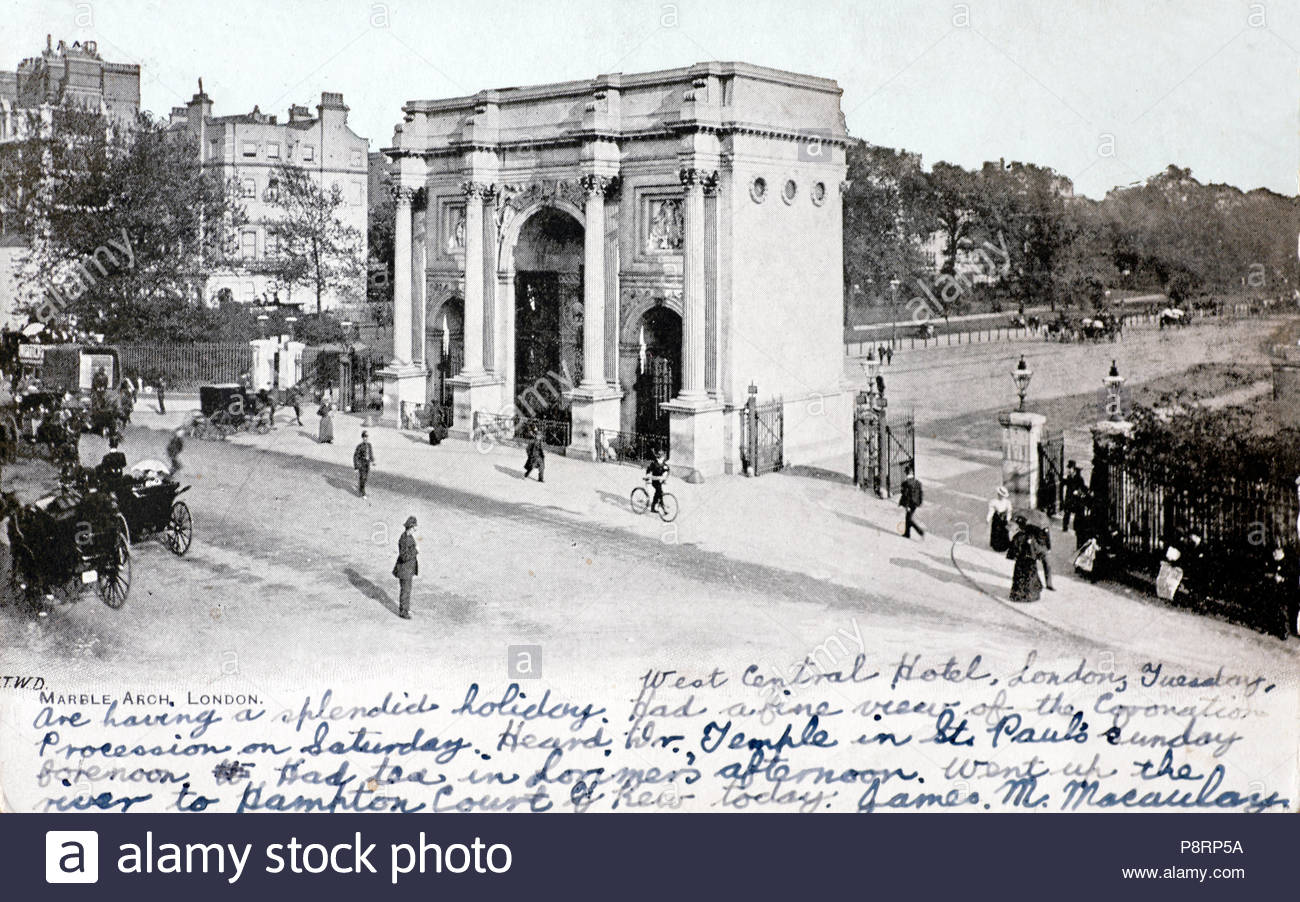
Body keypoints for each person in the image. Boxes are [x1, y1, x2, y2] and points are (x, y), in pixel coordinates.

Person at [1008, 515, 1049, 602]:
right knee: (1031, 576)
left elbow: (1014, 550)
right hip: (1031, 562)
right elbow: (1036, 549)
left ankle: (1019, 595)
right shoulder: (1031, 536)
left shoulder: (1018, 536)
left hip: (1021, 562)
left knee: (1021, 577)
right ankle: (1032, 594)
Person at [392, 516, 419, 620]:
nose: (416, 528)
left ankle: (405, 609)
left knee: (407, 590)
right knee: (405, 591)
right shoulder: (404, 539)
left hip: (407, 569)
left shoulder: (407, 536)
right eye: (415, 526)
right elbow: (404, 556)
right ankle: (403, 612)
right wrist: (415, 550)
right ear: (411, 527)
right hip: (405, 570)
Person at [899, 462, 924, 539]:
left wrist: (907, 506)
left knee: (909, 519)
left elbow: (907, 496)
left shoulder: (906, 483)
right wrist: (919, 502)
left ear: (906, 473)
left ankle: (920, 531)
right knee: (907, 518)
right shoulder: (917, 482)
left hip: (910, 504)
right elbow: (921, 493)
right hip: (915, 503)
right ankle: (907, 533)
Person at [1061, 461, 1087, 532]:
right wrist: (1063, 479)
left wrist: (1078, 492)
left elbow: (1083, 489)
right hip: (1069, 498)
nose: (1068, 470)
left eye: (1070, 468)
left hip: (1076, 499)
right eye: (1068, 468)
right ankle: (1065, 526)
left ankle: (1077, 526)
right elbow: (1063, 484)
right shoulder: (1069, 477)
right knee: (1067, 512)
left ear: (1074, 469)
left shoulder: (1079, 478)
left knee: (1078, 513)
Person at [986, 485, 1012, 553]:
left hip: (1004, 519)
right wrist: (988, 518)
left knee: (1004, 533)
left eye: (1002, 495)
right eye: (1000, 495)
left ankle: (1004, 546)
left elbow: (1009, 511)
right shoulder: (993, 501)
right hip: (996, 519)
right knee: (996, 533)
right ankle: (996, 546)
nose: (1000, 496)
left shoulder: (1007, 502)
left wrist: (1008, 519)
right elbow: (991, 511)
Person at [353, 430, 375, 497]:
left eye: (367, 436)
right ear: (362, 438)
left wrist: (372, 461)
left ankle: (360, 489)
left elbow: (371, 454)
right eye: (364, 437)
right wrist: (356, 466)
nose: (366, 438)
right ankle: (363, 493)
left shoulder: (369, 445)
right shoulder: (359, 446)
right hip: (361, 464)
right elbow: (355, 456)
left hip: (367, 464)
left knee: (365, 478)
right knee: (362, 477)